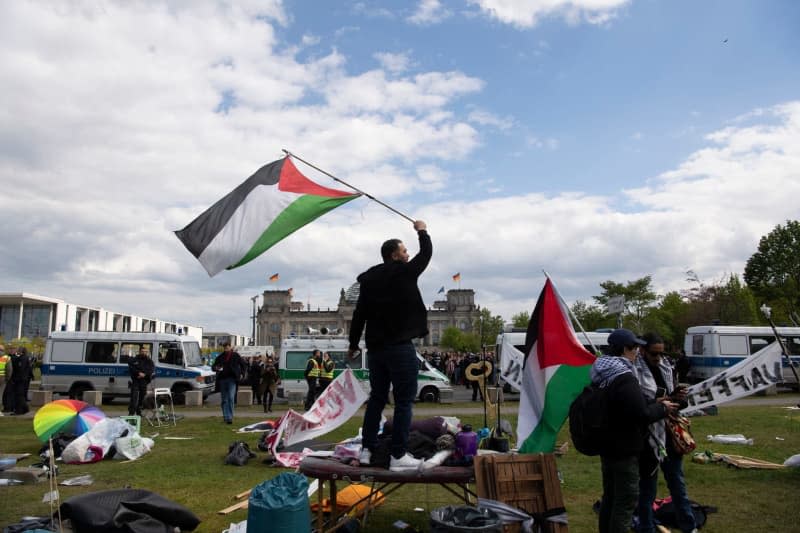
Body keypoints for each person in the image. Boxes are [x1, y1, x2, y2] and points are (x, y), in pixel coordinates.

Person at [348, 219, 432, 472]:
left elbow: (359, 314)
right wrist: (422, 231)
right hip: (399, 346)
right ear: (395, 255)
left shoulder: (370, 279)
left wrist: (353, 343)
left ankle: (367, 450)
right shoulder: (404, 271)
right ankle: (398, 455)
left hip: (375, 349)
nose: (408, 255)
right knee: (405, 401)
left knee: (377, 398)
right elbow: (426, 254)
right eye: (405, 251)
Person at [591, 329, 676, 533]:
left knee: (610, 498)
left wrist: (650, 401)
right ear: (624, 349)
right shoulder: (624, 376)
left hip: (607, 446)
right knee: (625, 502)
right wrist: (663, 408)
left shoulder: (600, 372)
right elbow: (640, 414)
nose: (637, 351)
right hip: (625, 447)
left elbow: (626, 404)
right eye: (634, 347)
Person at [634, 333, 697, 533]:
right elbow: (638, 405)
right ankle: (646, 528)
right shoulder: (635, 371)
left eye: (661, 353)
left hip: (670, 435)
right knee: (647, 491)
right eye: (654, 353)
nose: (658, 358)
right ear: (643, 350)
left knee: (678, 486)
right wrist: (661, 402)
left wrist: (679, 398)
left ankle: (689, 526)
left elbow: (675, 404)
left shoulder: (667, 368)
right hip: (648, 439)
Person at [213, 343, 243, 424]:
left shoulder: (235, 355)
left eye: (227, 347)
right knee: (224, 399)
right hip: (222, 380)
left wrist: (242, 374)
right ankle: (226, 417)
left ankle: (230, 417)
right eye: (225, 348)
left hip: (232, 380)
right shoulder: (220, 357)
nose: (226, 349)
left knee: (230, 397)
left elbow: (243, 364)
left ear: (230, 347)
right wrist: (216, 367)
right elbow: (213, 367)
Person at [128, 347, 155, 416]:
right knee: (134, 398)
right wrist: (138, 373)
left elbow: (151, 370)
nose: (144, 353)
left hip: (144, 381)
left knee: (142, 398)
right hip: (136, 381)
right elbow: (131, 368)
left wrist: (144, 374)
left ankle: (139, 412)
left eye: (145, 351)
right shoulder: (135, 359)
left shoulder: (149, 361)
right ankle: (131, 413)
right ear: (139, 352)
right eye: (142, 351)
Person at [10, 347, 33, 415]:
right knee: (21, 395)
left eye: (18, 350)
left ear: (21, 351)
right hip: (23, 379)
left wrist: (15, 378)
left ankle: (19, 410)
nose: (17, 351)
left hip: (20, 379)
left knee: (18, 395)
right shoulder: (25, 357)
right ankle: (25, 409)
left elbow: (20, 369)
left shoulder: (22, 359)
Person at [0, 345, 8, 416]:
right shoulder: (6, 358)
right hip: (2, 378)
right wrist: (7, 378)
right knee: (0, 394)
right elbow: (9, 369)